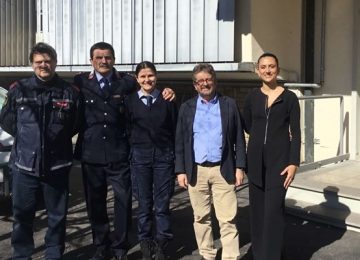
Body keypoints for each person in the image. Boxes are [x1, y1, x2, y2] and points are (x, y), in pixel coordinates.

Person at [73, 42, 175, 260]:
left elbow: (146, 89)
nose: (103, 61)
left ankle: (120, 247)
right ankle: (101, 246)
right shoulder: (80, 81)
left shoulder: (126, 82)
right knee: (96, 204)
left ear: (114, 59)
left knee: (123, 201)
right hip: (91, 153)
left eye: (108, 57)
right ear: (91, 60)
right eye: (98, 57)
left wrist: (167, 90)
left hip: (119, 152)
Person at [0, 42, 81, 259]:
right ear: (32, 64)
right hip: (24, 166)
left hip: (57, 166)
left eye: (47, 61)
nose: (43, 65)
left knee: (57, 216)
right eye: (38, 62)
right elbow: (7, 120)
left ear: (55, 62)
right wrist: (29, 137)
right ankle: (21, 255)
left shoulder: (69, 92)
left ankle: (54, 254)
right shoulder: (19, 89)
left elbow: (75, 123)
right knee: (22, 216)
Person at [175, 63, 247, 260]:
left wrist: (240, 166)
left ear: (214, 81)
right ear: (195, 85)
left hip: (223, 169)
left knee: (228, 219)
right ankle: (207, 255)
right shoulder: (186, 107)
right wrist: (180, 170)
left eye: (208, 79)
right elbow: (180, 140)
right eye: (200, 81)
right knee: (201, 218)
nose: (205, 84)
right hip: (196, 170)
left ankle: (230, 257)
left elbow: (239, 137)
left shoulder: (229, 104)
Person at [243, 52, 301, 260]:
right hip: (256, 163)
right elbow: (248, 125)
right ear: (258, 70)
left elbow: (296, 132)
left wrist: (294, 162)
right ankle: (259, 255)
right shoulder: (252, 97)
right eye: (264, 67)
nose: (268, 70)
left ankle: (273, 255)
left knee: (274, 213)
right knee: (257, 212)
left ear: (277, 69)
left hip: (280, 164)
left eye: (272, 66)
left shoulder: (290, 98)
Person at [125, 61, 177, 260]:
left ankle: (162, 243)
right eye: (143, 76)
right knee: (145, 204)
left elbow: (174, 129)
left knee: (162, 204)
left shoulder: (168, 100)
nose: (147, 80)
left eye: (151, 75)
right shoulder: (129, 101)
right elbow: (127, 128)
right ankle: (146, 243)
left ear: (156, 76)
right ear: (137, 79)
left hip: (164, 157)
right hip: (140, 158)